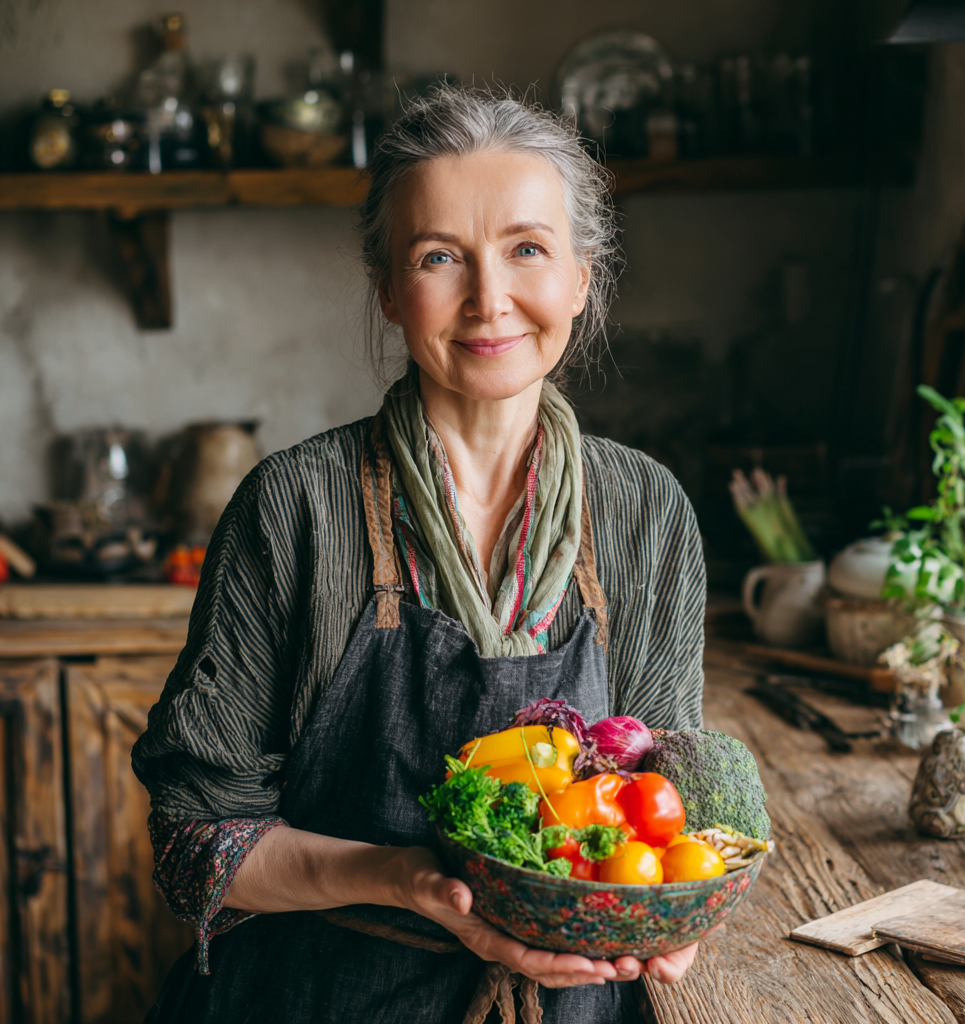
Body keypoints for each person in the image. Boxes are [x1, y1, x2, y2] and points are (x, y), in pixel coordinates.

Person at [135, 85, 706, 1024]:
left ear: (581, 279)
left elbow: (664, 789)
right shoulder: (295, 507)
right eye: (441, 257)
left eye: (528, 250)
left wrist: (668, 909)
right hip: (316, 999)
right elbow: (192, 840)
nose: (490, 300)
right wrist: (402, 878)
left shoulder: (645, 512)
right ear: (390, 288)